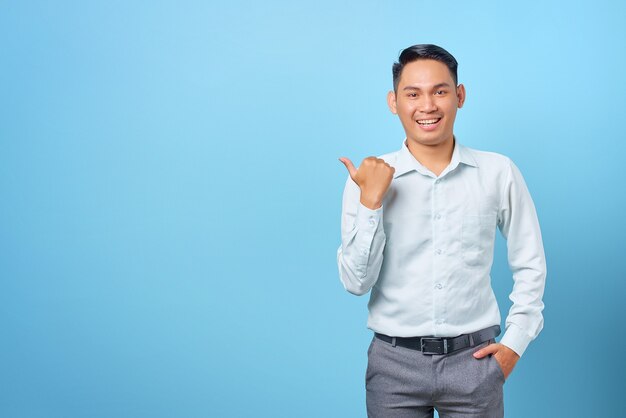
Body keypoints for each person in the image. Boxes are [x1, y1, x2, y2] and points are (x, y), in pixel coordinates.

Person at [336, 44, 546, 418]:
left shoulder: (498, 172)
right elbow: (356, 282)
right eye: (412, 94)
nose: (427, 106)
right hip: (393, 367)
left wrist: (514, 344)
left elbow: (531, 264)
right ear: (393, 101)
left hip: (475, 364)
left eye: (440, 91)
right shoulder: (367, 177)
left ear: (459, 96)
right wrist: (371, 202)